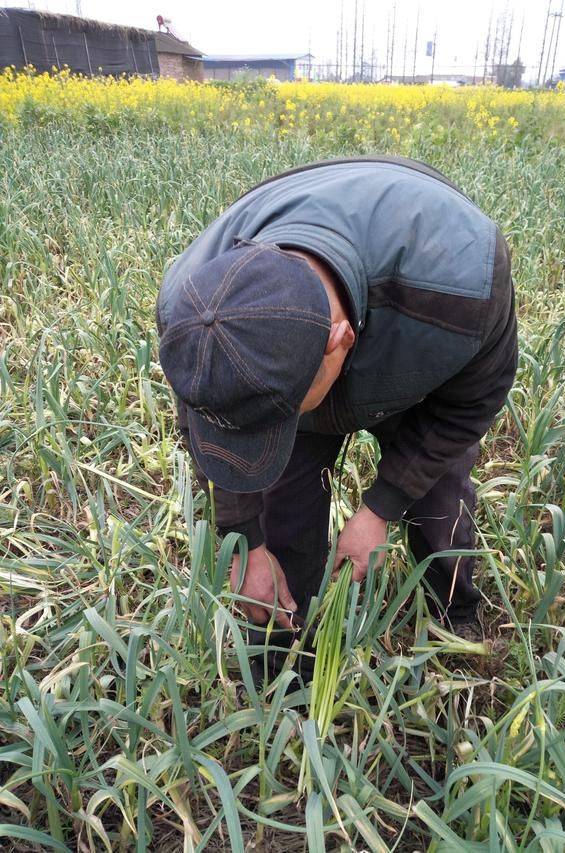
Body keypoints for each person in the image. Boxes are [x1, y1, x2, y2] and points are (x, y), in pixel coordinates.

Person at [156, 155, 518, 682]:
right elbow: (218, 423)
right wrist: (245, 541)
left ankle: (454, 626)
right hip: (303, 356)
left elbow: (472, 402)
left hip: (409, 339)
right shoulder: (195, 307)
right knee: (285, 516)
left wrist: (381, 507)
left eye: (280, 415)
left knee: (439, 505)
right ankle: (283, 659)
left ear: (338, 341)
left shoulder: (461, 291)